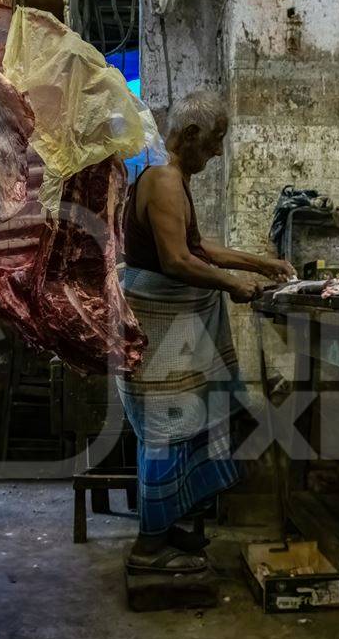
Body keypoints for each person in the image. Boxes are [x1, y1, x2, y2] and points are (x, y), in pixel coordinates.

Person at [117, 91, 296, 573]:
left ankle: (167, 524)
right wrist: (236, 285)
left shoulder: (167, 175)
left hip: (167, 336)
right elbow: (177, 262)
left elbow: (196, 245)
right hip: (160, 334)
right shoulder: (164, 179)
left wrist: (260, 262)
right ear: (191, 136)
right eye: (215, 142)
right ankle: (147, 551)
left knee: (179, 429)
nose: (217, 153)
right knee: (166, 434)